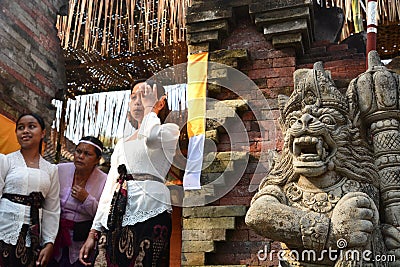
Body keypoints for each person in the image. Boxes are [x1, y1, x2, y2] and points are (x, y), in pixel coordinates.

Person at [79, 81, 180, 266]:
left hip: (152, 209)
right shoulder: (121, 143)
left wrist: (152, 109)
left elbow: (150, 138)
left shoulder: (169, 131)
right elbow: (110, 187)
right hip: (117, 212)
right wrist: (93, 232)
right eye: (133, 96)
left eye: (144, 95)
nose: (137, 101)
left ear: (161, 101)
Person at [0, 113, 60, 267]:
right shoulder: (6, 161)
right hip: (3, 231)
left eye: (31, 126)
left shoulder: (51, 170)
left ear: (43, 133)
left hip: (32, 238)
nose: (25, 131)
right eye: (21, 128)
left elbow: (51, 209)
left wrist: (49, 242)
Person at [49, 136, 107, 267]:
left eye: (87, 154)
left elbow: (103, 215)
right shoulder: (59, 170)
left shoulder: (105, 181)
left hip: (82, 240)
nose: (80, 156)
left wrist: (86, 199)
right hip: (55, 235)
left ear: (97, 160)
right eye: (78, 151)